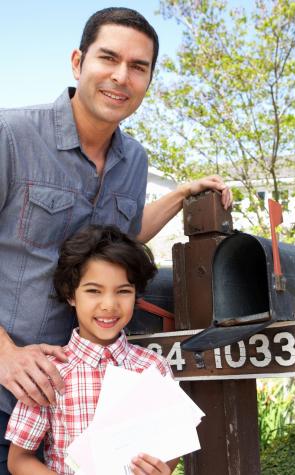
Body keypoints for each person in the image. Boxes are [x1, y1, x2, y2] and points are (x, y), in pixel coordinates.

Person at [0, 7, 231, 472]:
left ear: (148, 80)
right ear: (77, 61)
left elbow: (121, 238)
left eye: (138, 66)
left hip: (80, 413)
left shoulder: (135, 162)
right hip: (9, 391)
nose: (121, 76)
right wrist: (4, 354)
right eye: (109, 58)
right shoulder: (11, 135)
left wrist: (182, 195)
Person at [6, 225, 179, 475]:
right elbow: (19, 459)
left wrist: (160, 468)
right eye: (93, 291)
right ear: (71, 295)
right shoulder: (50, 372)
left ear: (136, 295)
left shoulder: (153, 367)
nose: (109, 305)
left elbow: (172, 443)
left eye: (123, 291)